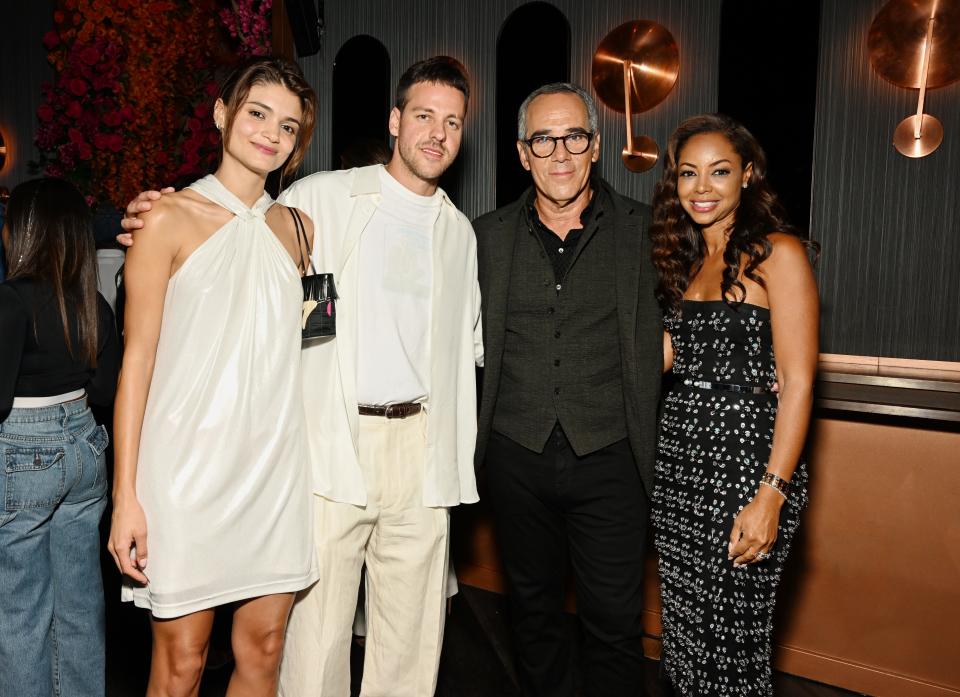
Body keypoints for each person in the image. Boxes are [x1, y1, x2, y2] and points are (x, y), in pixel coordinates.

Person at [119, 55, 483, 697]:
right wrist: (141, 217)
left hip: (392, 454)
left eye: (452, 122)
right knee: (297, 648)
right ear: (396, 121)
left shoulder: (452, 232)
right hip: (317, 448)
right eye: (424, 115)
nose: (437, 133)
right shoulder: (321, 199)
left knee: (376, 647)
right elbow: (207, 253)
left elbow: (463, 349)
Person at [107, 56, 320, 695]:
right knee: (182, 665)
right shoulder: (166, 218)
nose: (270, 134)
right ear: (223, 112)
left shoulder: (300, 230)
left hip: (274, 476)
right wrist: (126, 498)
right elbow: (135, 364)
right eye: (257, 113)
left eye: (287, 126)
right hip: (185, 477)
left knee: (265, 649)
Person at [472, 82, 663, 697]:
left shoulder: (646, 230)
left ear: (595, 146)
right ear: (522, 153)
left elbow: (715, 284)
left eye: (574, 136)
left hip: (612, 457)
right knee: (533, 614)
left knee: (613, 623)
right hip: (515, 456)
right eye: (543, 139)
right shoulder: (484, 237)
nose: (560, 152)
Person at [649, 113, 818, 696]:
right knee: (687, 635)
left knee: (735, 639)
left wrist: (772, 493)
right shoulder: (685, 262)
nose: (701, 188)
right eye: (688, 174)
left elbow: (798, 382)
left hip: (747, 468)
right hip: (679, 466)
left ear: (748, 175)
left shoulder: (779, 255)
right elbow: (659, 362)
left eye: (719, 172)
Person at [0, 177, 120, 697]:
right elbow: (107, 387)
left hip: (25, 449)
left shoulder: (10, 300)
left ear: (21, 232)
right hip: (86, 445)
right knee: (78, 604)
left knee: (21, 611)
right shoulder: (93, 300)